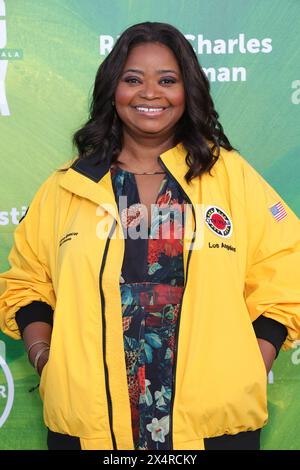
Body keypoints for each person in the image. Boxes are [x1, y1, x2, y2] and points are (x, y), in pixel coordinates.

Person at [0, 21, 299, 451]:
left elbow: (287, 268)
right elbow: (27, 281)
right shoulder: (67, 187)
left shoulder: (231, 178)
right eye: (133, 79)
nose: (149, 93)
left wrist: (255, 360)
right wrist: (45, 358)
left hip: (215, 429)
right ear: (113, 89)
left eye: (167, 80)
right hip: (90, 429)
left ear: (187, 90)